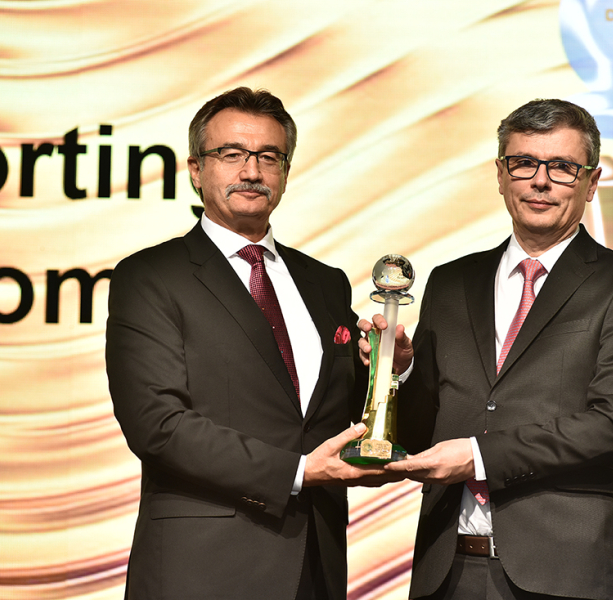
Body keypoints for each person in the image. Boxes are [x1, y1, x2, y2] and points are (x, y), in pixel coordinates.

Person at [361, 99, 613, 599]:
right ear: (500, 175)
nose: (540, 181)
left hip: (563, 577)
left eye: (562, 167)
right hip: (448, 574)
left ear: (591, 183)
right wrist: (399, 372)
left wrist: (479, 456)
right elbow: (420, 433)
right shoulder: (451, 281)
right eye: (524, 163)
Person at [106, 87, 396, 600]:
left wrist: (389, 368)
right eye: (231, 154)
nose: (251, 171)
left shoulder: (324, 282)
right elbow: (157, 426)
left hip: (316, 564)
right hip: (201, 570)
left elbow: (341, 415)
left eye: (268, 156)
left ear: (285, 171)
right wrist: (299, 472)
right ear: (196, 170)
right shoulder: (151, 276)